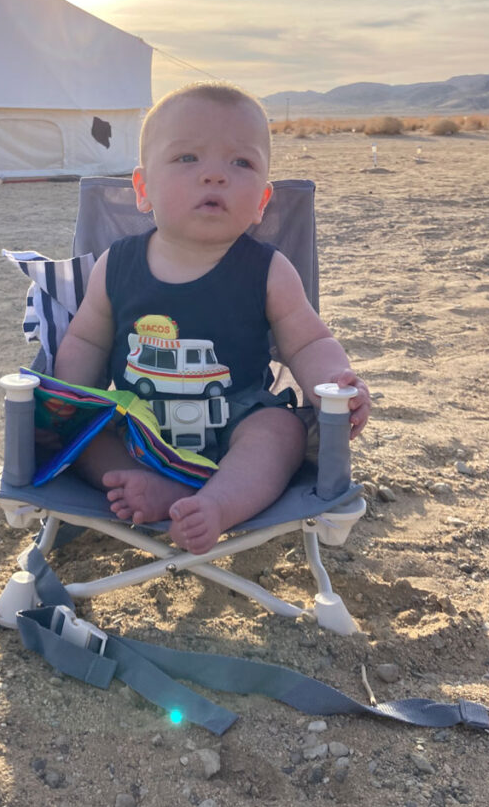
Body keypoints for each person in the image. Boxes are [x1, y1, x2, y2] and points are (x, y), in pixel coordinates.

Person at [53, 82, 370, 554]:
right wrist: (68, 397)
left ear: (262, 201)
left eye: (240, 163)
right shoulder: (115, 264)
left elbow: (306, 343)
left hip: (236, 420)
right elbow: (87, 341)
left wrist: (336, 383)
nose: (215, 176)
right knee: (84, 437)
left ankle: (217, 503)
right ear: (143, 190)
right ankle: (155, 487)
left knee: (281, 432)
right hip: (138, 424)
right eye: (187, 159)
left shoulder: (267, 270)